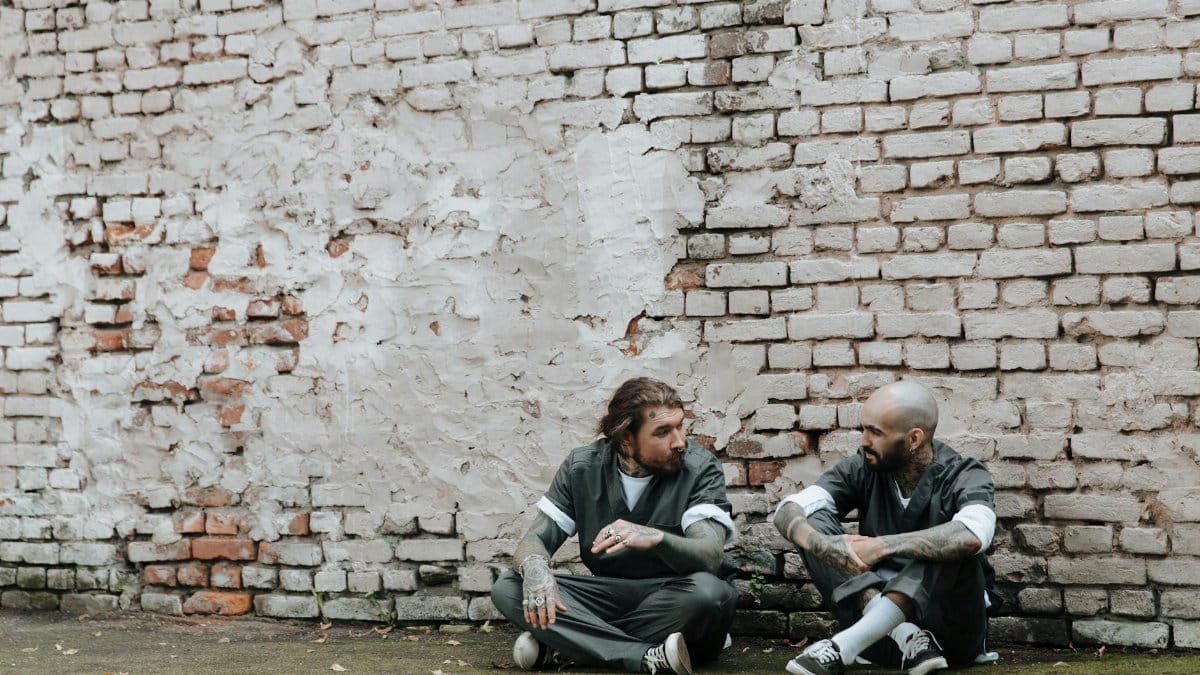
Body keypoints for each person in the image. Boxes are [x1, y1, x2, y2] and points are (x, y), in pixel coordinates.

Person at [490, 377, 738, 674]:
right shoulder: (583, 467)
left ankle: (574, 645)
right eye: (662, 432)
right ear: (625, 438)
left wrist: (657, 538)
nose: (679, 442)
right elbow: (537, 538)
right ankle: (645, 656)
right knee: (509, 586)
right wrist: (534, 569)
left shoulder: (699, 468)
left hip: (676, 596)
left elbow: (710, 555)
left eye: (680, 426)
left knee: (710, 596)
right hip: (608, 596)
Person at [773, 380, 999, 675]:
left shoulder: (964, 473)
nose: (864, 441)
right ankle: (900, 631)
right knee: (811, 523)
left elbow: (974, 534)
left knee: (953, 541)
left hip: (949, 637)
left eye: (875, 432)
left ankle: (843, 648)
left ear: (913, 439)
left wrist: (879, 547)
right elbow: (787, 510)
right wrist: (823, 546)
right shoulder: (864, 466)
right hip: (881, 640)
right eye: (864, 429)